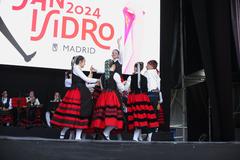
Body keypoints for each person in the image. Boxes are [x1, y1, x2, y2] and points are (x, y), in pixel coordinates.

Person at [51, 55, 98, 140]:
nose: (85, 63)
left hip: (82, 93)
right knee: (72, 115)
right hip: (76, 93)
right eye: (84, 61)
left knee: (82, 115)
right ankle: (63, 132)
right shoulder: (76, 68)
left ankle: (78, 136)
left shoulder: (79, 69)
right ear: (80, 62)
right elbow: (86, 79)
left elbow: (85, 84)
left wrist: (95, 84)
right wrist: (98, 80)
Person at [91, 59, 125, 140]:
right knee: (114, 116)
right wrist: (125, 84)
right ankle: (106, 133)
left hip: (103, 97)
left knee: (104, 116)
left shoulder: (102, 76)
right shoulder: (115, 74)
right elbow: (121, 88)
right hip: (112, 97)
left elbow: (102, 88)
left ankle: (106, 134)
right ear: (113, 66)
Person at [124, 62, 159, 141]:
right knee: (142, 117)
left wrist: (124, 87)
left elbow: (126, 88)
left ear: (136, 68)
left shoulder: (131, 77)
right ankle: (139, 137)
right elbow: (146, 90)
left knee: (137, 117)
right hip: (143, 98)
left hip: (134, 98)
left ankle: (135, 137)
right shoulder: (144, 78)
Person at [144, 60, 164, 141]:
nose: (146, 66)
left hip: (149, 95)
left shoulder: (147, 72)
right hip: (156, 96)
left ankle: (147, 133)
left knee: (146, 115)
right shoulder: (156, 73)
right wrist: (160, 99)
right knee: (153, 115)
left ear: (151, 66)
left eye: (147, 65)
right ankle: (150, 134)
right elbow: (159, 87)